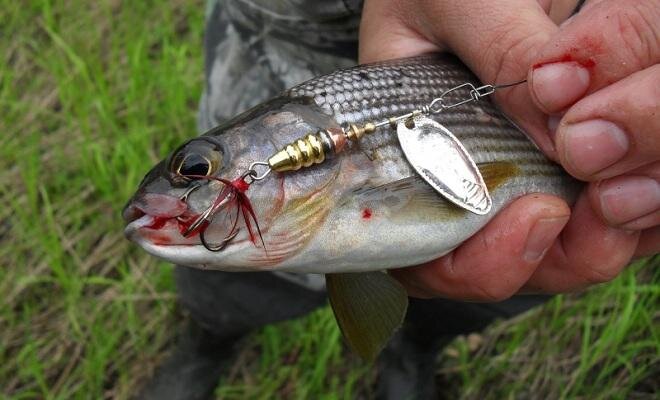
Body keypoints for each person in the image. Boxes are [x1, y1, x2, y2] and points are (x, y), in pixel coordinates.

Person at [139, 1, 659, 399]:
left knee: (489, 285)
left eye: (197, 170)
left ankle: (415, 349)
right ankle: (210, 336)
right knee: (237, 292)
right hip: (287, 36)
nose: (187, 189)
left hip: (562, 50)